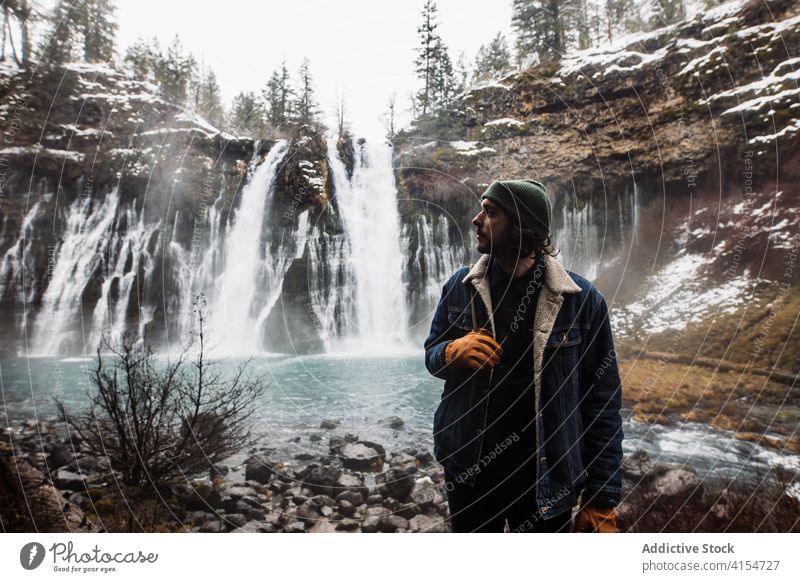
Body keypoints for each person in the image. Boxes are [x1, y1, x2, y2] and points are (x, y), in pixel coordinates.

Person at [423, 179, 624, 533]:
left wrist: (602, 497)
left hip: (546, 480)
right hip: (469, 475)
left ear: (522, 227)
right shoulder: (460, 286)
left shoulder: (582, 301)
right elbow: (431, 355)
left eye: (490, 212)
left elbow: (602, 401)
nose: (475, 220)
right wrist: (451, 352)